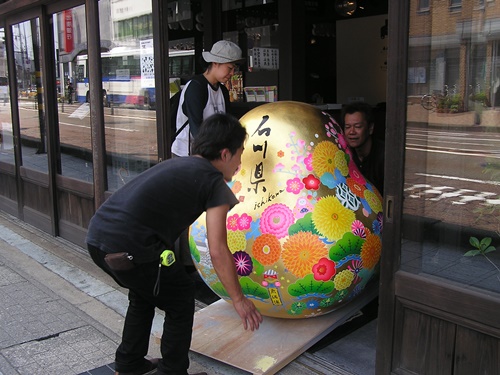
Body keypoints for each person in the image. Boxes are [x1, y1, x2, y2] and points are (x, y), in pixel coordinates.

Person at [86, 113, 263, 375]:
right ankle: (172, 370)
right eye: (240, 153)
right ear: (225, 154)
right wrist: (238, 299)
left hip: (98, 238)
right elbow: (218, 249)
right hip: (130, 247)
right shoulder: (213, 182)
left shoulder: (180, 165)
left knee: (144, 295)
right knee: (180, 297)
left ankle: (129, 363)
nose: (239, 162)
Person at [171, 40, 244, 157]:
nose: (232, 73)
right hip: (188, 154)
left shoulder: (223, 91)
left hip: (212, 153)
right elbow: (196, 129)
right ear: (215, 63)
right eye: (229, 68)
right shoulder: (196, 87)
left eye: (234, 69)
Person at [342, 101, 385, 195]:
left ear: (370, 128)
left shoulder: (384, 156)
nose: (351, 132)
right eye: (347, 127)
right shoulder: (344, 154)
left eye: (357, 126)